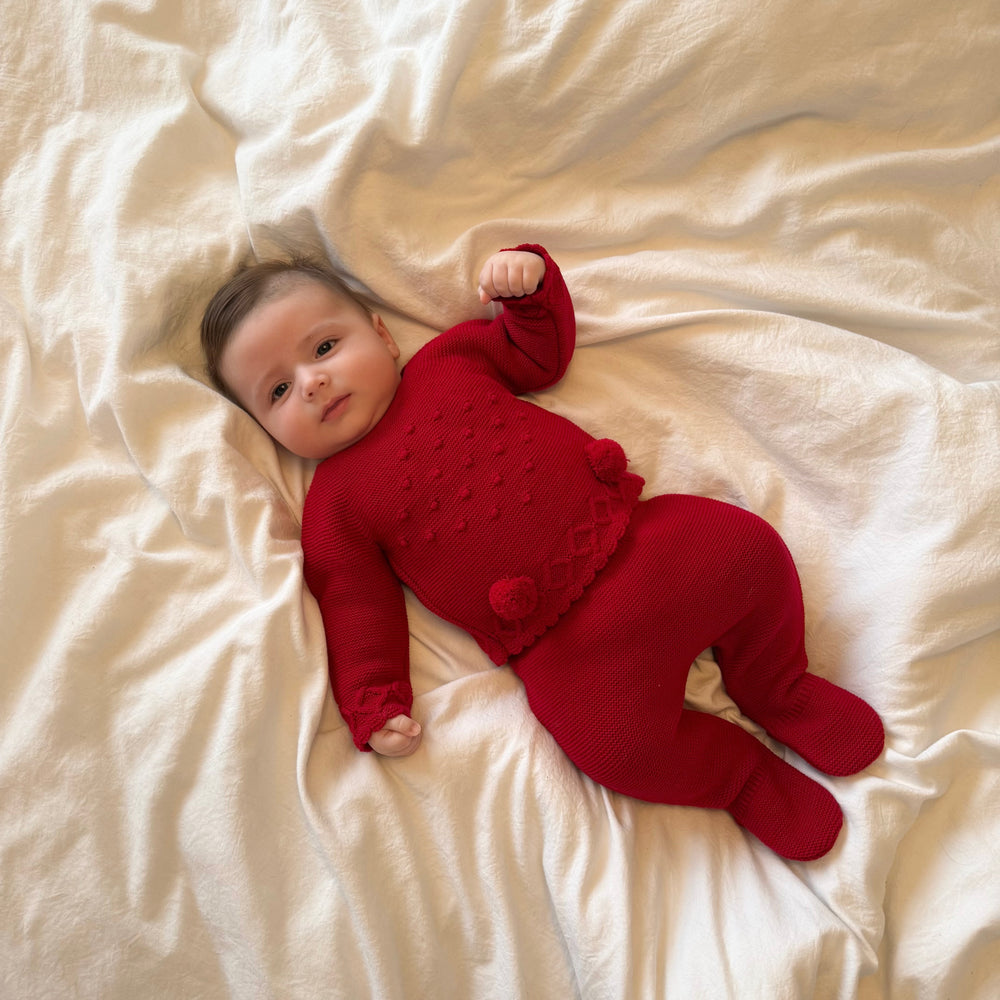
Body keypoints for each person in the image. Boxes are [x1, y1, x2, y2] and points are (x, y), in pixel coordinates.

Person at [201, 243, 884, 861]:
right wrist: (375, 701)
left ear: (381, 335)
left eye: (323, 349)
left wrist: (529, 291)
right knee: (613, 748)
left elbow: (539, 354)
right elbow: (355, 606)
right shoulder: (334, 507)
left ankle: (777, 686)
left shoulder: (450, 361)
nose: (312, 382)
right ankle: (740, 774)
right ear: (267, 429)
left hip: (645, 543)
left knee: (747, 550)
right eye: (279, 391)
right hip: (568, 648)